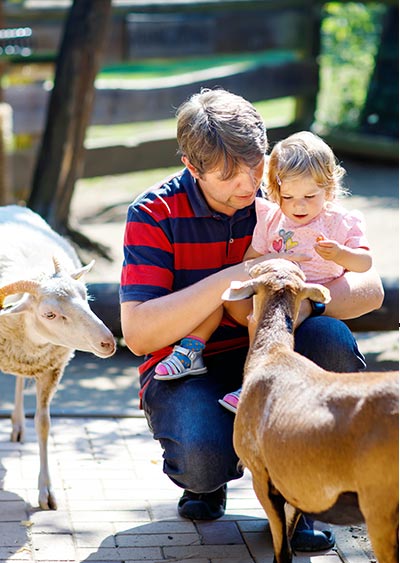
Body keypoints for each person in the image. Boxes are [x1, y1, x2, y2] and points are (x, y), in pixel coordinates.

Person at [120, 88, 384, 552]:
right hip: (191, 366)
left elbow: (371, 291)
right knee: (203, 457)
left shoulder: (288, 194)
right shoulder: (153, 214)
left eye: (255, 165)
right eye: (228, 175)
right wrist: (239, 274)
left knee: (331, 339)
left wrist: (301, 305)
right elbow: (139, 334)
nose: (248, 184)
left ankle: (297, 493)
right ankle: (208, 477)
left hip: (277, 358)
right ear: (191, 164)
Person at [153, 131, 372, 413]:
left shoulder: (340, 223)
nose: (298, 205)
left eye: (309, 196)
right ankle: (192, 348)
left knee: (272, 321)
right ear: (275, 190)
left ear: (328, 190)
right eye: (288, 196)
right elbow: (252, 258)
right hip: (271, 291)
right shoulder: (272, 218)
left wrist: (341, 255)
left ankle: (254, 384)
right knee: (223, 294)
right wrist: (264, 265)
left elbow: (364, 264)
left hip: (308, 301)